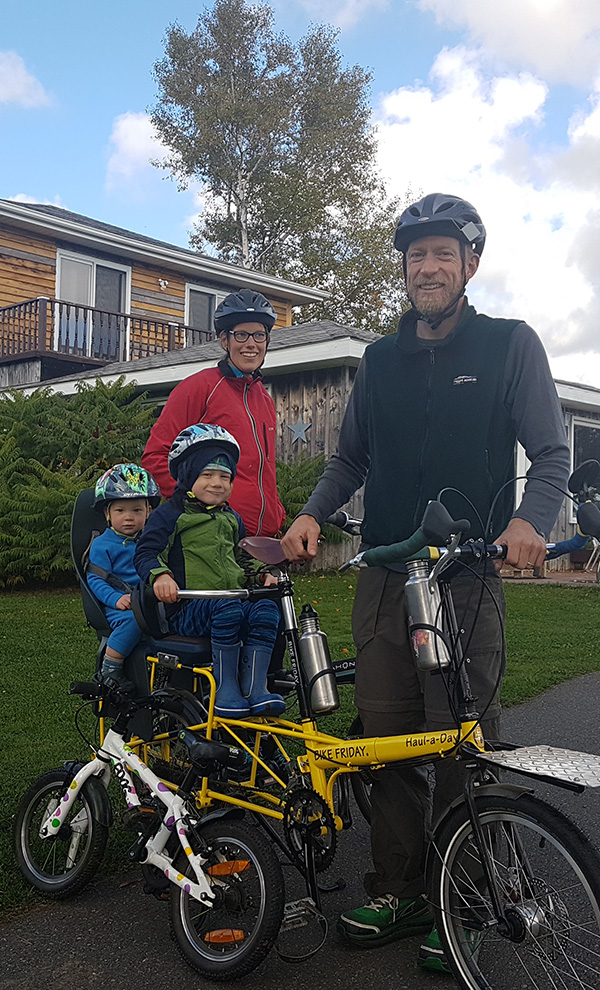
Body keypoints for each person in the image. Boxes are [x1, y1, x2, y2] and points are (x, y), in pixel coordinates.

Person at [280, 193, 570, 972]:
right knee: (385, 740)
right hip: (383, 573)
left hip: (466, 577)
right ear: (404, 270)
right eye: (417, 256)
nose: (429, 267)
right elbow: (351, 459)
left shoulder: (511, 345)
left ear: (470, 265)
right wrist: (311, 515)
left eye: (444, 253)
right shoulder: (380, 359)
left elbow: (550, 455)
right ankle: (402, 888)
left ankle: (466, 903)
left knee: (461, 744)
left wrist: (529, 522)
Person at [135, 423, 285, 718]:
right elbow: (146, 553)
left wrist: (266, 571)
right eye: (207, 474)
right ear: (187, 475)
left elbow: (244, 558)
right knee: (228, 608)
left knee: (267, 609)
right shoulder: (171, 515)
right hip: (189, 610)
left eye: (225, 476)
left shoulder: (232, 518)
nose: (217, 483)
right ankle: (225, 688)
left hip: (232, 603)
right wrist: (160, 576)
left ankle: (255, 687)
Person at [142, 288, 285, 538]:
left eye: (259, 335)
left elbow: (263, 469)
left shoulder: (264, 397)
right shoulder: (199, 387)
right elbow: (155, 456)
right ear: (224, 341)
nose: (251, 344)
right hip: (211, 536)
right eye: (241, 335)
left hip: (262, 540)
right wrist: (196, 506)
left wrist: (277, 513)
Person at [88, 463, 161, 689]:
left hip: (148, 600)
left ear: (148, 511)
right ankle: (111, 668)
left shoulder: (151, 541)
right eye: (120, 511)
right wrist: (115, 599)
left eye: (137, 510)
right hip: (121, 605)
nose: (129, 518)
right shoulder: (101, 545)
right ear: (107, 513)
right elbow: (95, 579)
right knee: (133, 622)